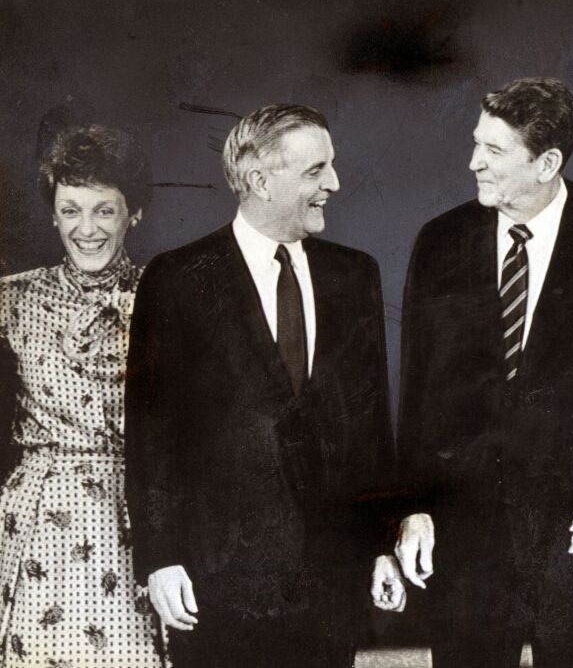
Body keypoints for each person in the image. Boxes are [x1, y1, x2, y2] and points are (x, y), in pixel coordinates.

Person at [387, 77, 573, 667]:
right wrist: (413, 509)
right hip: (463, 535)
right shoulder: (441, 241)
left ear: (547, 162)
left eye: (493, 152)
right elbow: (417, 392)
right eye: (476, 144)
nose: (473, 163)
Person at [124, 103, 393, 668]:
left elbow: (369, 430)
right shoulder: (177, 279)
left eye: (332, 166)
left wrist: (378, 546)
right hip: (216, 584)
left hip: (329, 584)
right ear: (257, 180)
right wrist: (160, 557)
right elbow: (151, 435)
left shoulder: (355, 274)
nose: (335, 184)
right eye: (316, 170)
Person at [0, 126, 162, 666]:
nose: (85, 229)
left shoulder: (166, 299)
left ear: (133, 213)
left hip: (133, 520)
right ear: (53, 214)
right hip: (35, 525)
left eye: (104, 211)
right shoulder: (12, 299)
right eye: (71, 210)